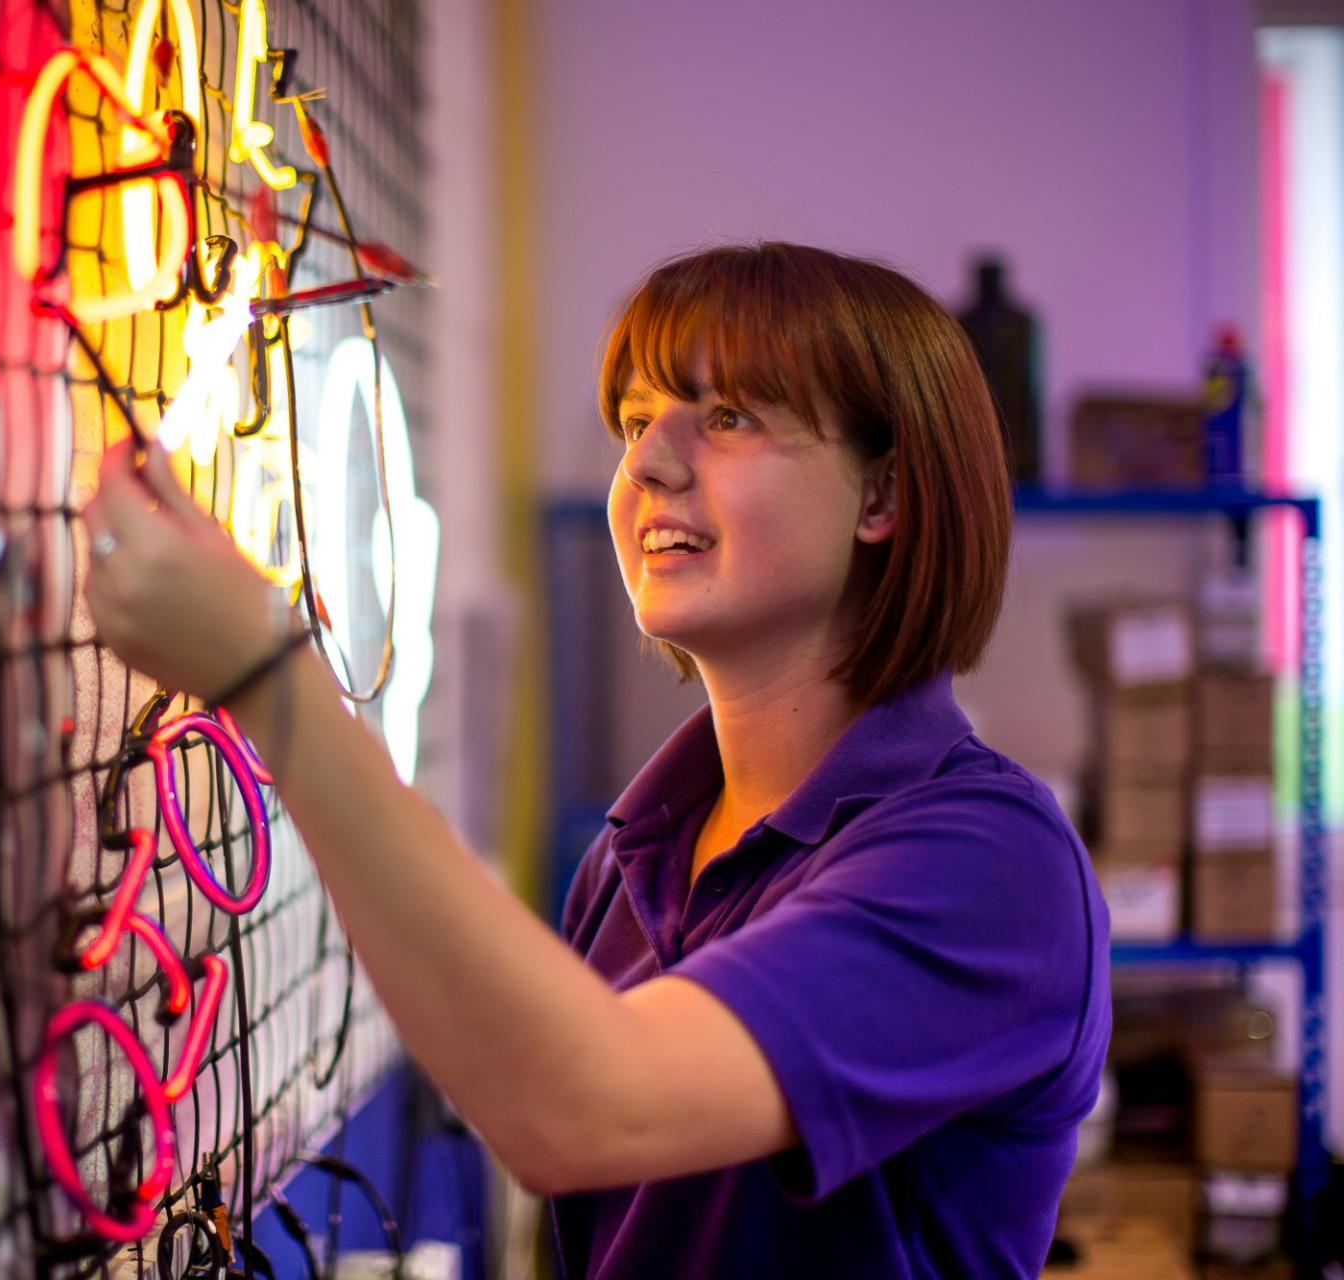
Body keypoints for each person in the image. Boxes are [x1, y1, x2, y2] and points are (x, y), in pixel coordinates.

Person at [82, 241, 1111, 1278]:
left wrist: (271, 675)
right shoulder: (626, 863)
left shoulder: (990, 865)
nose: (648, 463)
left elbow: (579, 1107)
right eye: (636, 420)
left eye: (727, 416)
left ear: (881, 496)